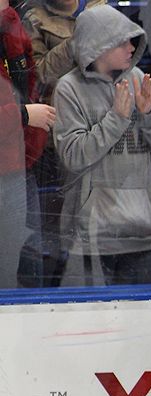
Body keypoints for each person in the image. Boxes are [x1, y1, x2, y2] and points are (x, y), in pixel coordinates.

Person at [53, 5, 151, 285]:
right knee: (94, 324)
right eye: (122, 41)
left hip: (144, 232)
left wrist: (148, 114)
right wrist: (117, 119)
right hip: (92, 238)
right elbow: (72, 155)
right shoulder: (68, 89)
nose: (131, 47)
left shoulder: (138, 80)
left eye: (132, 39)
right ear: (98, 45)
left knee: (147, 321)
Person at [2, 0, 54, 288]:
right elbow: (24, 107)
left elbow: (28, 90)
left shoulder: (13, 30)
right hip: (12, 167)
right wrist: (22, 116)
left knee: (15, 269)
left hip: (18, 168)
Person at [22, 0, 105, 94]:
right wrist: (72, 44)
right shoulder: (34, 19)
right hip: (62, 98)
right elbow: (38, 75)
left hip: (103, 93)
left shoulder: (99, 7)